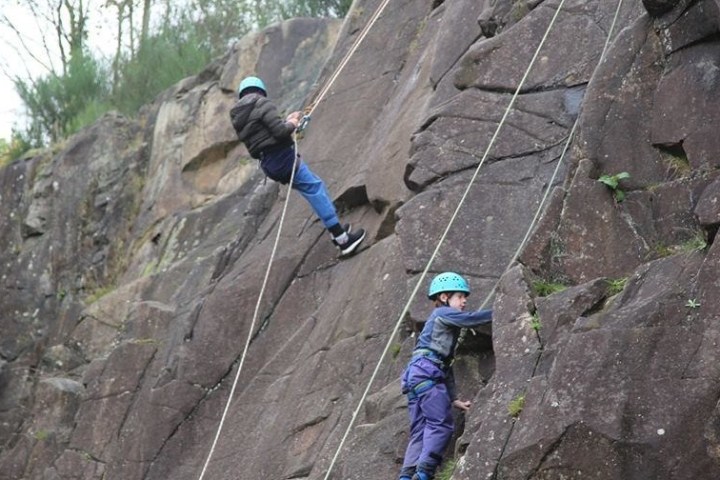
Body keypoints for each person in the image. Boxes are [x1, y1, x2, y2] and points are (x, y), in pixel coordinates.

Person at [229, 76, 365, 256]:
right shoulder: (261, 103)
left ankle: (337, 230)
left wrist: (287, 122)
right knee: (315, 189)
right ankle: (343, 240)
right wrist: (292, 123)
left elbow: (263, 137)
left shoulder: (239, 116)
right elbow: (279, 132)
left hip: (269, 164)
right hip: (282, 158)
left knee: (314, 186)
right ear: (260, 90)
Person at [398, 272, 493, 480]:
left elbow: (445, 365)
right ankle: (423, 474)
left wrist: (453, 399)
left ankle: (406, 476)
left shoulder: (439, 327)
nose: (464, 301)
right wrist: (500, 311)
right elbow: (471, 319)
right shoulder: (444, 314)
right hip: (427, 375)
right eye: (460, 296)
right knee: (440, 425)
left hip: (417, 377)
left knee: (420, 431)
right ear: (444, 298)